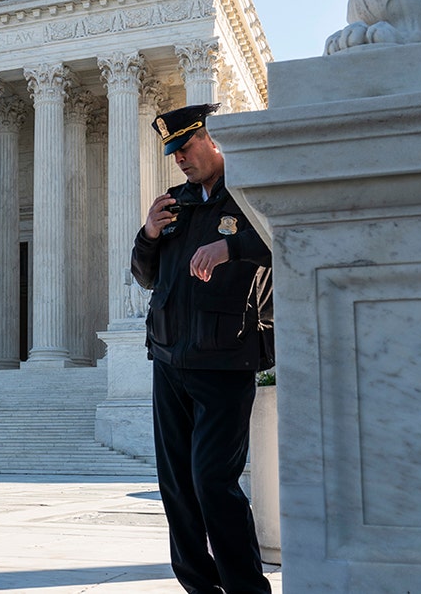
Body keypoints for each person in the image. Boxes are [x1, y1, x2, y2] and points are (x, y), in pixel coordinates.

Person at [130, 103, 273, 594]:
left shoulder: (251, 190)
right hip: (169, 358)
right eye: (173, 153)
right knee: (178, 489)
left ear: (211, 140)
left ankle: (246, 589)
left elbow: (286, 239)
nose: (180, 160)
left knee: (213, 481)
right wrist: (149, 233)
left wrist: (230, 248)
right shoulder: (175, 203)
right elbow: (144, 275)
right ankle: (199, 586)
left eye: (186, 148)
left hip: (227, 358)